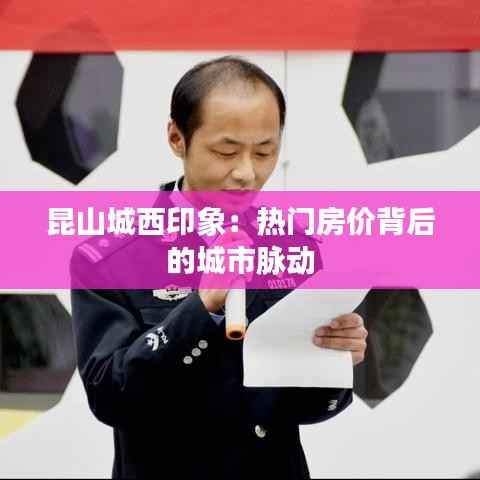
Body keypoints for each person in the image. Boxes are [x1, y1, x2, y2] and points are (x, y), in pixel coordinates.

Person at [70, 56, 368, 479]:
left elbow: (305, 407)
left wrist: (335, 357)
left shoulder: (295, 247)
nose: (246, 172)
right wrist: (200, 308)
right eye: (226, 151)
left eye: (265, 152)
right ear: (177, 138)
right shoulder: (111, 258)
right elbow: (109, 397)